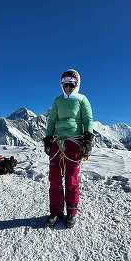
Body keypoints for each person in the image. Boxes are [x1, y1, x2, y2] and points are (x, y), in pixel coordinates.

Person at [43, 69, 94, 228]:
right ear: (61, 84)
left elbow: (87, 119)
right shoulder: (57, 101)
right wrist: (48, 138)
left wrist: (88, 139)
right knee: (54, 178)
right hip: (57, 141)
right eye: (65, 84)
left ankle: (71, 212)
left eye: (71, 84)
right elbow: (51, 121)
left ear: (76, 84)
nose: (68, 87)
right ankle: (56, 211)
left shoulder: (82, 99)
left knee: (71, 179)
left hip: (75, 141)